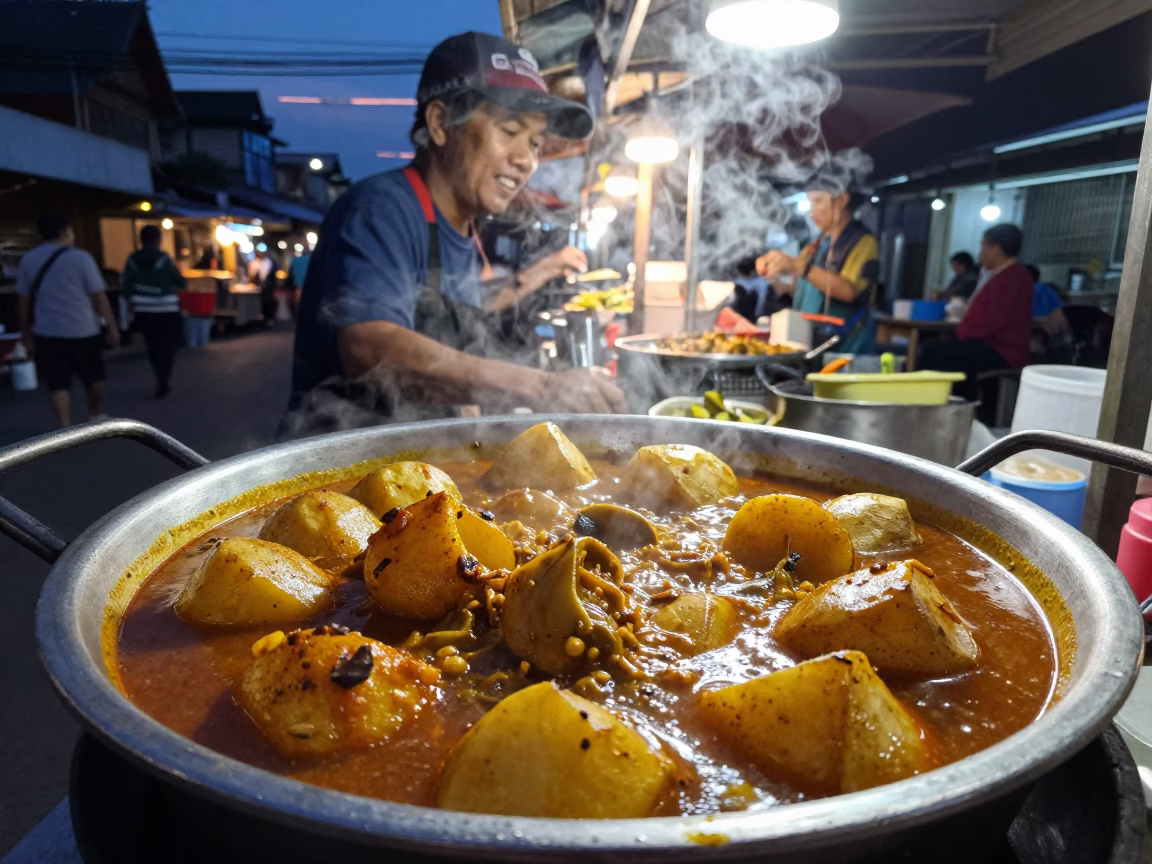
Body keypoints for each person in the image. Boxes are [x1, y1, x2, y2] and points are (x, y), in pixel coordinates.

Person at [285, 31, 624, 433]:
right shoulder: (382, 209)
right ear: (441, 123)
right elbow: (367, 346)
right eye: (509, 131)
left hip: (415, 464)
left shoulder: (463, 225)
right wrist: (541, 386)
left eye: (534, 143)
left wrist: (545, 269)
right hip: (338, 474)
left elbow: (462, 317)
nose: (525, 160)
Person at [16, 214, 120, 427]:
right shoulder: (81, 258)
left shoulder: (29, 259)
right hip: (84, 328)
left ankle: (64, 426)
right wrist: (112, 327)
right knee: (95, 376)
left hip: (48, 330)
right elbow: (99, 297)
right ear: (65, 232)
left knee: (57, 382)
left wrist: (24, 330)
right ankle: (95, 413)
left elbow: (23, 300)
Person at [754, 177, 880, 353]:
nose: (812, 212)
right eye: (810, 203)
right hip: (811, 342)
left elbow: (849, 291)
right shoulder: (816, 243)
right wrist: (774, 271)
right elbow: (798, 286)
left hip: (847, 346)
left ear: (842, 200)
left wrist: (798, 265)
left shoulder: (863, 242)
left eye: (818, 201)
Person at [917, 224, 1033, 401]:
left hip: (1002, 350)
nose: (981, 253)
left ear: (998, 250)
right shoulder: (1000, 274)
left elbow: (992, 321)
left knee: (938, 354)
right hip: (988, 344)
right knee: (934, 350)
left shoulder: (1012, 277)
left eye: (984, 246)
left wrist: (964, 331)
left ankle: (952, 407)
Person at [122, 224, 186, 398]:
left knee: (153, 346)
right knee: (169, 346)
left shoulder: (133, 260)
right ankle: (163, 380)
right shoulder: (164, 259)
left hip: (144, 310)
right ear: (158, 240)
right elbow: (180, 282)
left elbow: (126, 286)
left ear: (140, 240)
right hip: (167, 309)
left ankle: (160, 378)